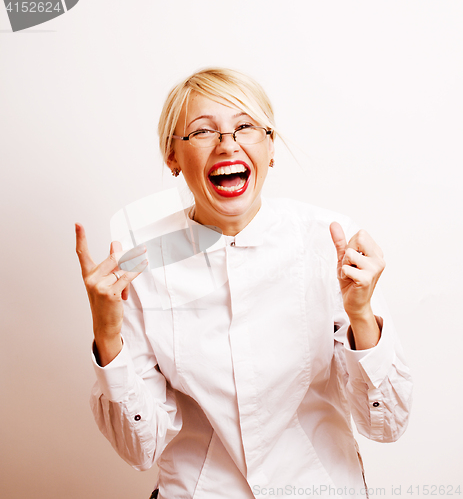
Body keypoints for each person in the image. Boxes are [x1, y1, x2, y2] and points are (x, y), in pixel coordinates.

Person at [75, 68, 412, 499]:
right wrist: (107, 336)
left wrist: (362, 316)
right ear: (172, 157)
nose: (228, 144)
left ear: (270, 148)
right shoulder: (140, 264)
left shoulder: (330, 242)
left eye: (245, 126)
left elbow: (386, 425)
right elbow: (140, 450)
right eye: (202, 132)